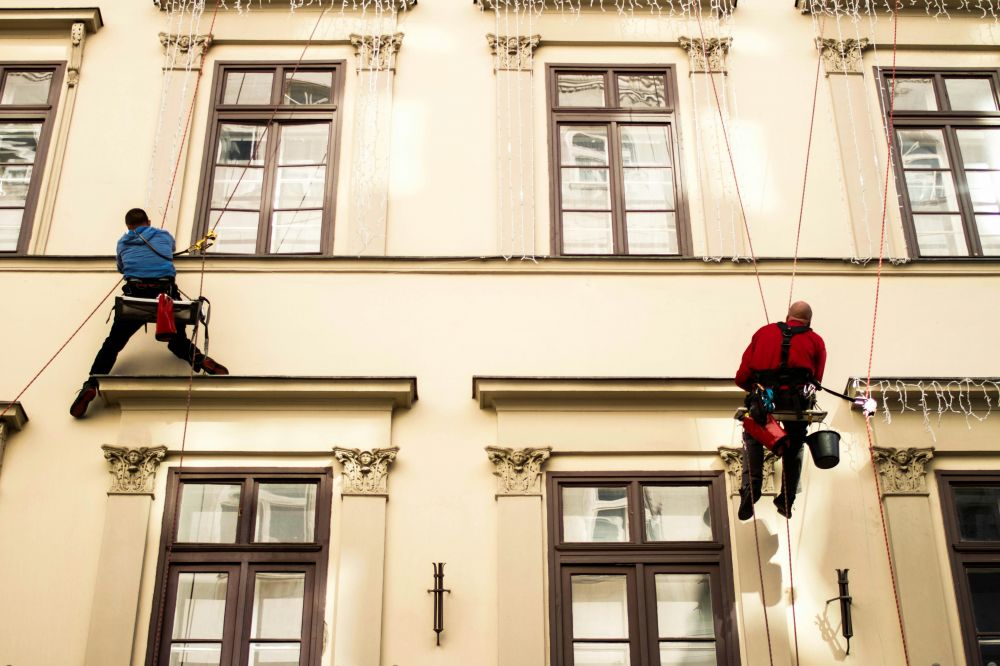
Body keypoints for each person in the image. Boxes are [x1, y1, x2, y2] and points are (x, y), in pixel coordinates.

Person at [70, 208, 228, 418]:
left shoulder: (123, 243)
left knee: (113, 344)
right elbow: (169, 251)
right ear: (149, 221)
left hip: (136, 300)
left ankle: (91, 383)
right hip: (165, 299)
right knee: (176, 341)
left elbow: (121, 267)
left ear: (128, 227)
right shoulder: (163, 236)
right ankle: (198, 359)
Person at [734, 300, 826, 520]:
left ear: (788, 316)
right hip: (796, 402)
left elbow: (742, 377)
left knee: (754, 434)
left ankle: (752, 486)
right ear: (809, 321)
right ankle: (787, 497)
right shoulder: (815, 340)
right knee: (795, 445)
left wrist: (757, 389)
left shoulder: (763, 333)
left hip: (765, 400)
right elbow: (816, 379)